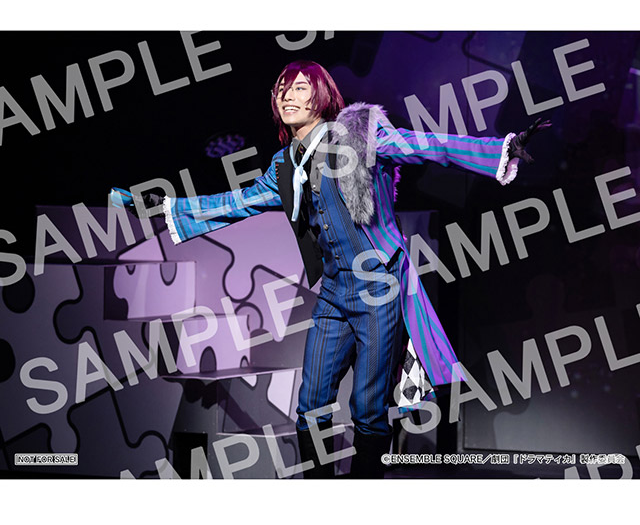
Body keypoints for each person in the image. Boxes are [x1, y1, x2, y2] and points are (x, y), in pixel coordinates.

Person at [115, 59, 550, 478]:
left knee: (368, 409)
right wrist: (165, 206)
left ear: (321, 97)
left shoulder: (359, 135)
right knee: (310, 407)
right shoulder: (285, 164)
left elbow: (425, 146)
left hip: (379, 288)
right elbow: (236, 203)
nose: (288, 96)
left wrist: (500, 149)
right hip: (334, 294)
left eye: (300, 88)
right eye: (281, 90)